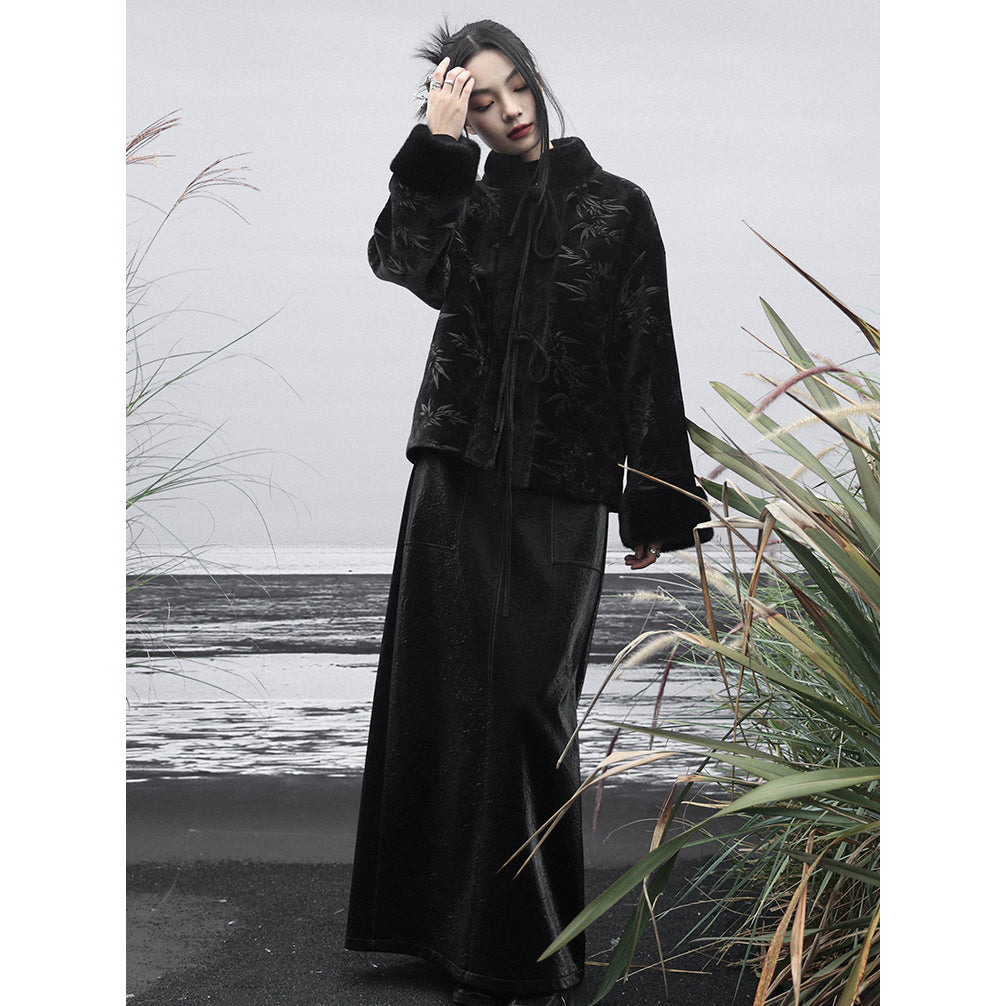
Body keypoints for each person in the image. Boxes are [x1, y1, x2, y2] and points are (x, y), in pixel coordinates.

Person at [345, 19, 712, 1006]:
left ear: (536, 81)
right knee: (443, 692)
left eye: (515, 88)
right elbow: (398, 259)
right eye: (481, 101)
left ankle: (523, 953)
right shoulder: (462, 201)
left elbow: (647, 347)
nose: (508, 112)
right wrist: (435, 150)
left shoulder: (618, 207)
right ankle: (436, 935)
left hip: (563, 483)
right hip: (455, 476)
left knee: (525, 703)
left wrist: (656, 499)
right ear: (461, 112)